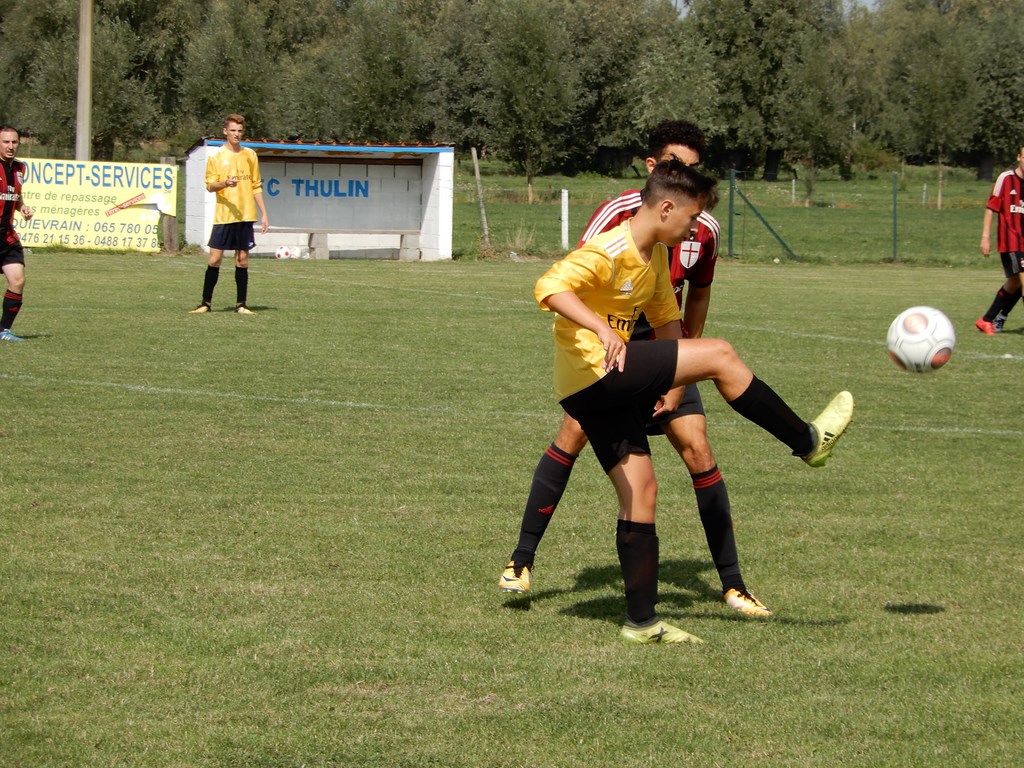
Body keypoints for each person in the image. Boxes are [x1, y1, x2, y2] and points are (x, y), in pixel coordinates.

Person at [528, 159, 852, 643]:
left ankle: (642, 623)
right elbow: (548, 286)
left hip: (592, 390)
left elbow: (666, 321)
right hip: (594, 374)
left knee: (641, 491)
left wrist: (675, 384)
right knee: (720, 355)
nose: (696, 227)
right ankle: (806, 441)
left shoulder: (655, 255)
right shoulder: (610, 248)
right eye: (692, 216)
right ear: (665, 208)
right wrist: (601, 328)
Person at [501, 121, 770, 619]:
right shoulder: (617, 215)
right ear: (653, 168)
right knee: (573, 435)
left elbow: (697, 297)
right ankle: (522, 560)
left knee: (698, 449)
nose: (684, 174)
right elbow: (577, 283)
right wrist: (602, 336)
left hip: (668, 347)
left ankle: (733, 585)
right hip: (614, 348)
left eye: (693, 167)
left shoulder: (702, 226)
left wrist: (684, 365)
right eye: (675, 165)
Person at [190, 114, 269, 314]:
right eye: (233, 130)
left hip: (245, 215)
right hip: (224, 216)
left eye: (240, 131)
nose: (236, 134)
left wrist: (264, 214)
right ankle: (205, 303)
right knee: (214, 259)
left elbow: (256, 185)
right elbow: (210, 186)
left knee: (242, 260)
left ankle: (241, 304)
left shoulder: (250, 155)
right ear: (225, 131)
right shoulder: (216, 156)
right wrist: (225, 183)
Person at [975, 144, 1024, 335]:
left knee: (1014, 283)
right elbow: (991, 208)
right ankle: (995, 319)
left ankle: (987, 320)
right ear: (1019, 157)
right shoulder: (1006, 178)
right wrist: (985, 237)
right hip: (1011, 240)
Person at [0, 125, 34, 342]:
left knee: (18, 279)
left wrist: (22, 207)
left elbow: (15, 194)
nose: (11, 146)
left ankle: (3, 331)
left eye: (14, 142)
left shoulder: (20, 168)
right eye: (6, 142)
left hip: (7, 235)